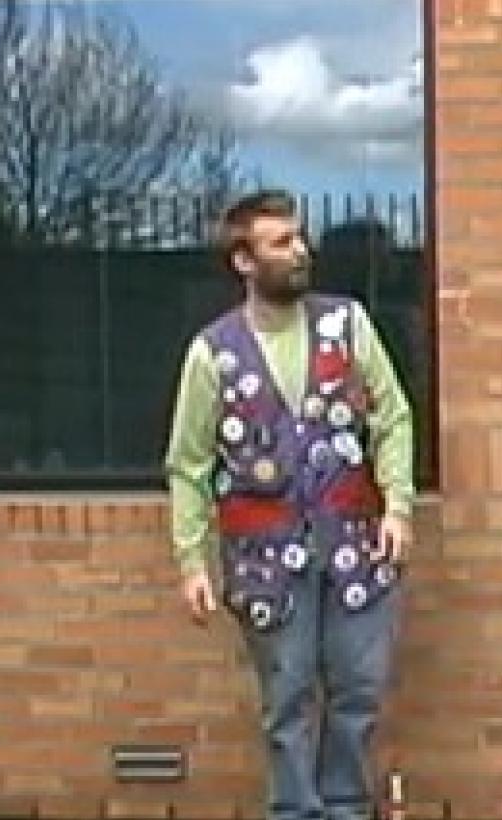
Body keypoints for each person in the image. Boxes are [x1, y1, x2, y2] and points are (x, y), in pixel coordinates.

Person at [165, 189, 415, 820]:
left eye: (300, 238)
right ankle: (295, 813)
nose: (300, 252)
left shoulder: (348, 325)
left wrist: (398, 507)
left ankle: (347, 809)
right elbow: (188, 466)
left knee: (359, 691)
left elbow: (393, 417)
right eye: (281, 243)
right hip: (264, 556)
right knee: (289, 699)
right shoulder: (212, 355)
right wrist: (192, 562)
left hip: (356, 542)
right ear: (243, 261)